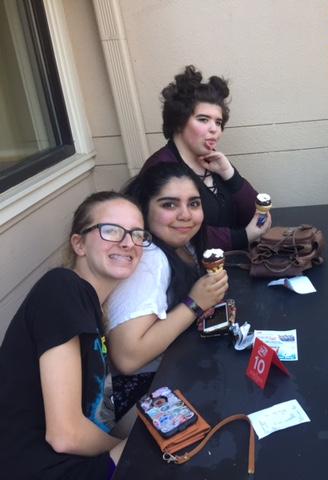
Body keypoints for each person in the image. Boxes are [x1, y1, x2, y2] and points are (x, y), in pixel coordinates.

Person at [0, 191, 148, 478]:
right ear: (78, 244)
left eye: (137, 234)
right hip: (45, 469)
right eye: (111, 230)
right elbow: (65, 435)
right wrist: (127, 447)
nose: (128, 242)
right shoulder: (61, 288)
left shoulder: (89, 308)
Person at [106, 163, 228, 419]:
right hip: (139, 397)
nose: (185, 215)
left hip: (177, 367)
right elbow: (127, 358)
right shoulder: (149, 259)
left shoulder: (184, 245)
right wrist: (195, 303)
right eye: (169, 204)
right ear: (144, 210)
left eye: (194, 203)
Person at [142, 65, 271, 251]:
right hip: (200, 274)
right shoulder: (160, 167)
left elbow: (259, 214)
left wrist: (230, 174)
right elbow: (178, 231)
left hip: (239, 265)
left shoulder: (214, 162)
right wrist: (242, 237)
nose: (214, 129)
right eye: (203, 119)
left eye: (218, 122)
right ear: (179, 122)